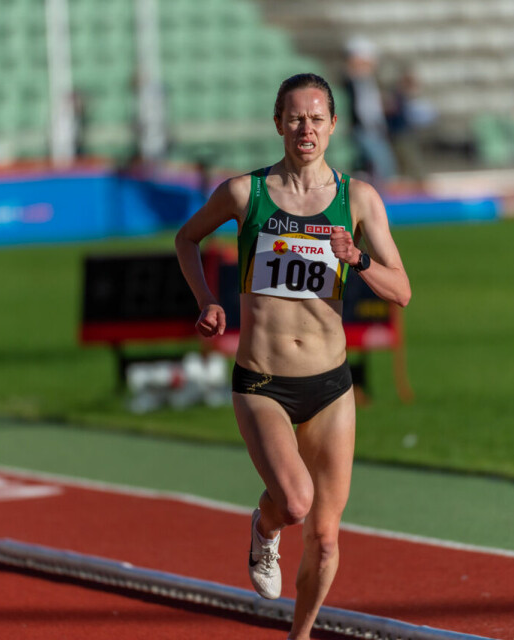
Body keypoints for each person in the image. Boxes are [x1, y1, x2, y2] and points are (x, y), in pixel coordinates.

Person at [175, 73, 411, 640]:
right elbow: (187, 239)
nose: (306, 128)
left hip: (331, 386)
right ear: (278, 123)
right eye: (295, 118)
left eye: (317, 118)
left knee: (327, 538)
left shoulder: (359, 200)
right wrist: (206, 301)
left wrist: (357, 259)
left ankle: (300, 636)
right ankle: (264, 526)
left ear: (333, 125)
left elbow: (401, 290)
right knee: (296, 502)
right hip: (263, 383)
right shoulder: (244, 194)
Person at [341, 38, 398, 185]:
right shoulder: (351, 82)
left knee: (384, 166)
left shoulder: (370, 81)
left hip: (375, 129)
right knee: (378, 163)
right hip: (362, 129)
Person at [387, 66, 438, 187]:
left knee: (410, 164)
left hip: (406, 134)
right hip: (400, 135)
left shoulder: (404, 98)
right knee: (410, 164)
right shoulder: (397, 97)